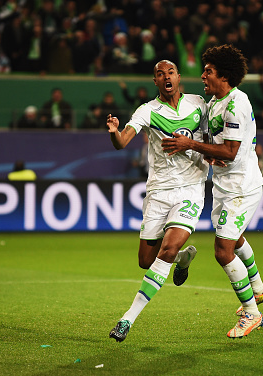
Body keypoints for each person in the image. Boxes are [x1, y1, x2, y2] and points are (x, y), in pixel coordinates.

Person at [161, 45, 263, 339]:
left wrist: (192, 145)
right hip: (223, 186)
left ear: (224, 75)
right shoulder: (215, 102)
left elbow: (232, 151)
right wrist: (211, 154)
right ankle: (259, 289)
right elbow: (222, 148)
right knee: (235, 240)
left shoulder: (236, 103)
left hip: (241, 188)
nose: (203, 75)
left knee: (222, 251)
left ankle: (252, 313)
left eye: (209, 71)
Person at [107, 60, 209, 343]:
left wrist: (210, 151)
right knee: (145, 260)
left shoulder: (198, 104)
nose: (166, 76)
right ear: (155, 81)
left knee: (168, 246)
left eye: (171, 72)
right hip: (159, 192)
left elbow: (213, 134)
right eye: (160, 74)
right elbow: (123, 141)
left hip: (190, 189)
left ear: (178, 77)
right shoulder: (147, 111)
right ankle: (183, 259)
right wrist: (115, 131)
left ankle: (127, 318)